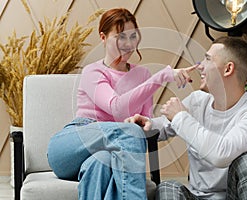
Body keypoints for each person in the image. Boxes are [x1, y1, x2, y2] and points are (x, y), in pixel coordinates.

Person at [47, 8, 197, 200]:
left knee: (101, 163)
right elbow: (116, 107)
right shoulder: (93, 72)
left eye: (133, 36)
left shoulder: (142, 75)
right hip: (73, 145)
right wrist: (162, 76)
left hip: (108, 154)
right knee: (127, 134)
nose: (128, 44)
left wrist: (145, 125)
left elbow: (144, 126)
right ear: (103, 37)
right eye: (120, 37)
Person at [126, 36, 247, 199]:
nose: (199, 66)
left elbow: (222, 153)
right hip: (196, 196)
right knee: (168, 188)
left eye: (207, 59)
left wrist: (181, 117)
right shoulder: (197, 101)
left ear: (227, 69)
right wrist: (145, 123)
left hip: (234, 195)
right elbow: (162, 127)